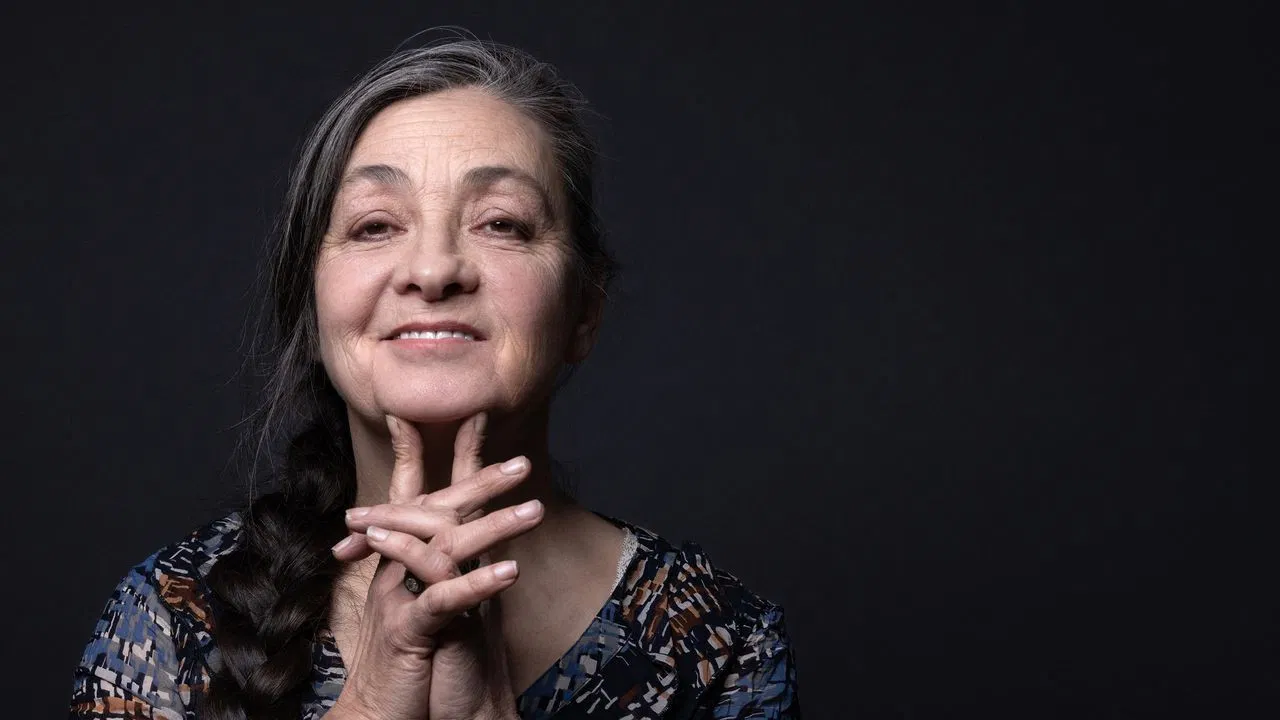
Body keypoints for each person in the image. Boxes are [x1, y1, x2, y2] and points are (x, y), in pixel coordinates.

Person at [69, 36, 800, 720]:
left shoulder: (718, 643)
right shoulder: (170, 616)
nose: (432, 271)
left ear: (585, 309)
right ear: (313, 306)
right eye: (375, 225)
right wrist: (372, 702)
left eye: (501, 223)